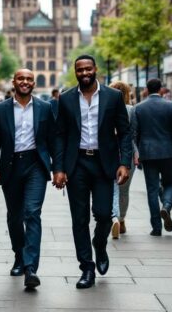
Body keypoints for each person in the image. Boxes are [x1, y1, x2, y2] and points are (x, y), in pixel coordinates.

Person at [53, 55, 132, 289]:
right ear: (75, 72)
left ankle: (99, 244)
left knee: (105, 214)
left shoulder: (113, 96)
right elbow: (60, 136)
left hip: (103, 164)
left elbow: (125, 132)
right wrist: (58, 168)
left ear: (95, 69)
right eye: (80, 70)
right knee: (79, 219)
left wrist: (124, 163)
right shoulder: (66, 99)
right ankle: (86, 267)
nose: (85, 73)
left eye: (88, 68)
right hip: (76, 164)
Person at [0, 69, 61, 289]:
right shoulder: (0, 109)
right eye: (21, 79)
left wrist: (59, 169)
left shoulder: (45, 108)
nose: (25, 82)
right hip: (11, 166)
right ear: (14, 81)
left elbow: (53, 140)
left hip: (36, 164)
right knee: (15, 217)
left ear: (34, 83)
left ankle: (30, 268)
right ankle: (19, 255)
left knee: (32, 213)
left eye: (28, 79)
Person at [133, 78, 172, 237]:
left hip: (148, 154)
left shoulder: (139, 108)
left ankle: (156, 227)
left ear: (146, 90)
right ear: (161, 89)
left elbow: (134, 134)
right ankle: (167, 206)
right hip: (167, 152)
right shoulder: (170, 106)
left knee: (152, 189)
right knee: (169, 183)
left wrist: (137, 153)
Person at [107, 81, 137, 239]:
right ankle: (122, 219)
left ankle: (113, 217)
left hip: (109, 153)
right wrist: (136, 154)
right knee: (124, 191)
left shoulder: (105, 108)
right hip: (127, 155)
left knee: (112, 188)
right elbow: (133, 136)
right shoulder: (132, 110)